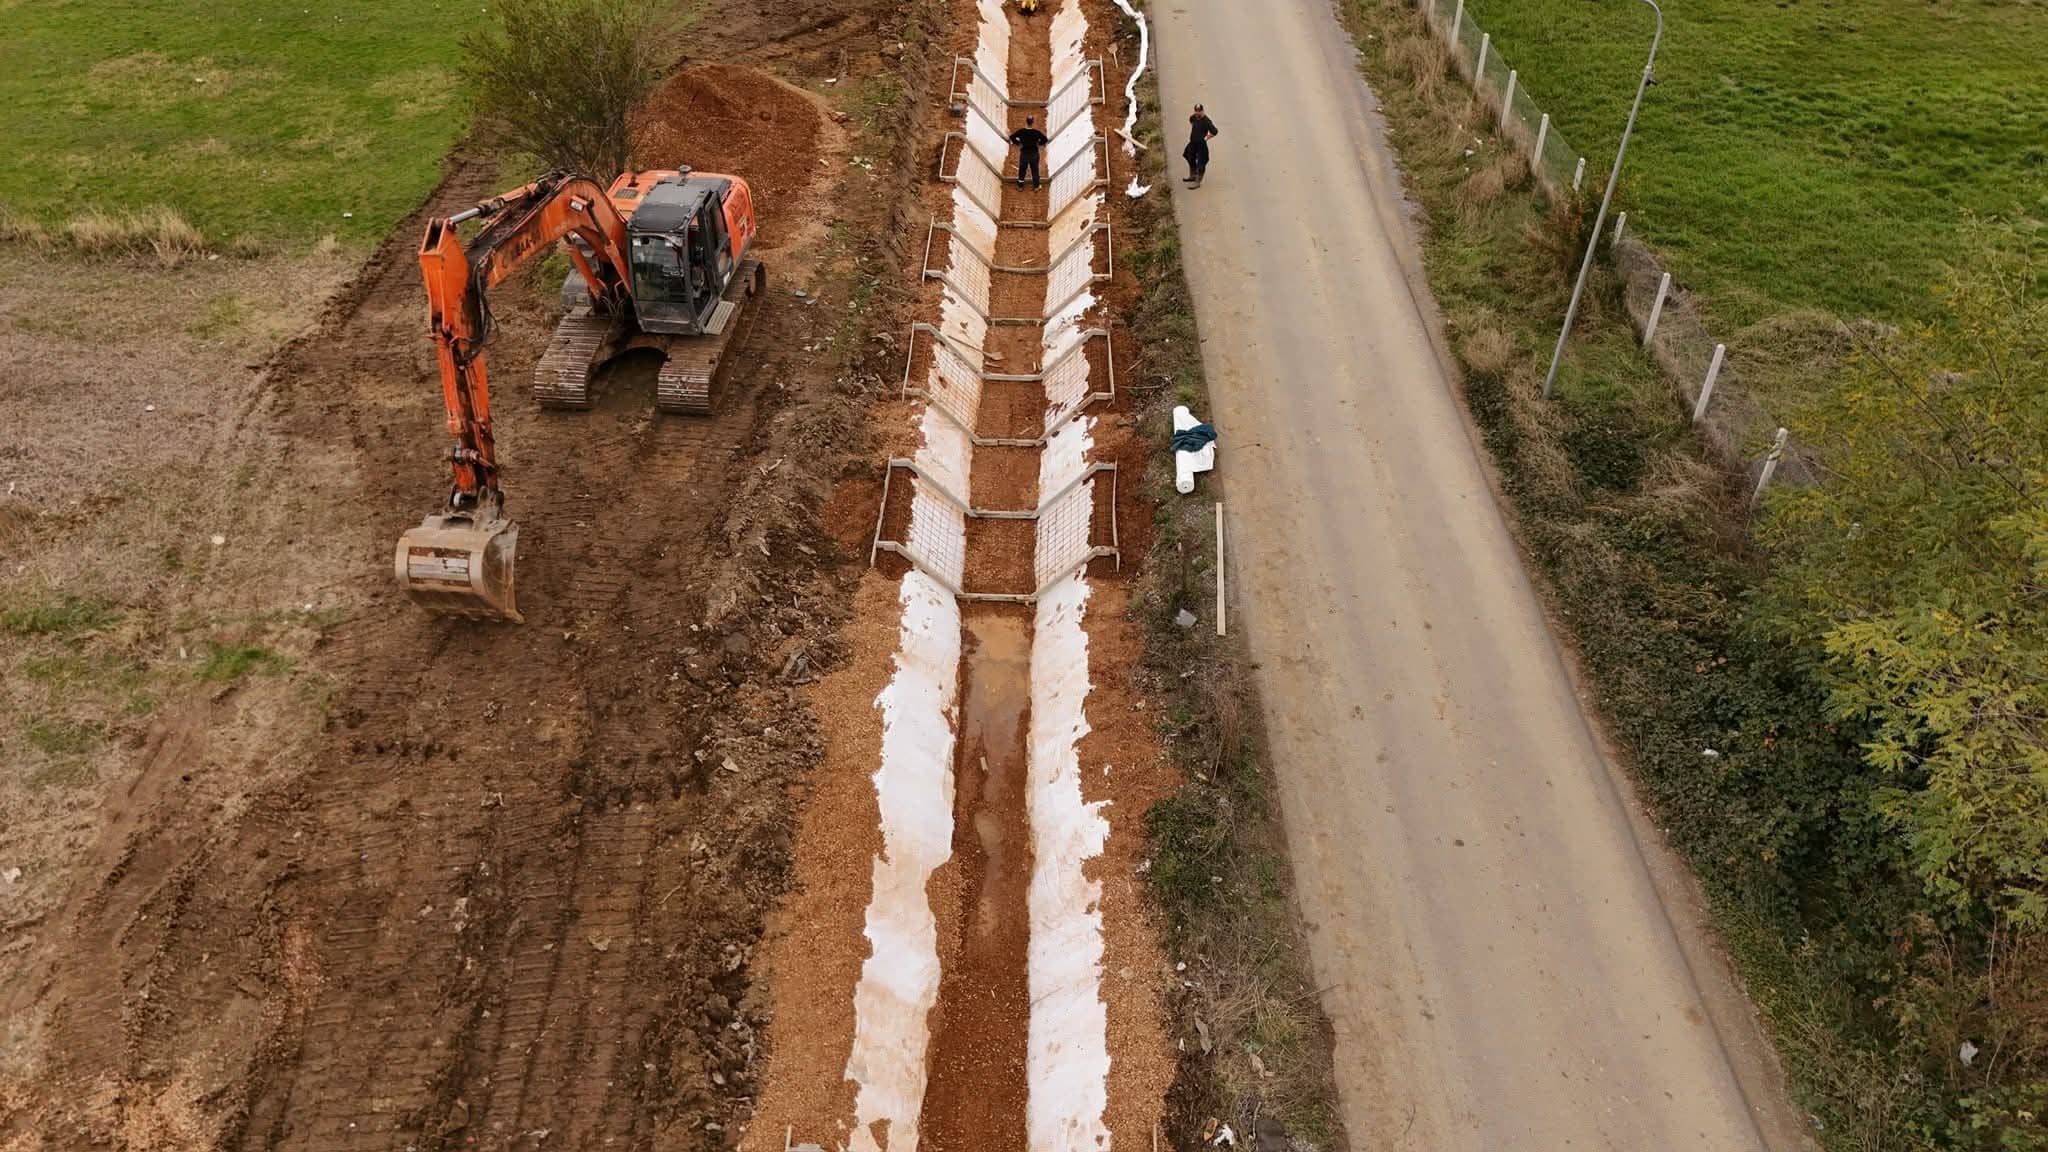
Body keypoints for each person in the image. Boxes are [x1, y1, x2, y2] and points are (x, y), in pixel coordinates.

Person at [1182, 104, 1219, 188]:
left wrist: (1206, 138)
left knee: (1201, 163)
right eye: (1196, 111)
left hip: (1201, 145)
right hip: (1192, 143)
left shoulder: (1206, 121)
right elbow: (1191, 120)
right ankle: (1192, 175)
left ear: (1202, 111)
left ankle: (1197, 182)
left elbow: (1215, 131)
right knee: (1188, 156)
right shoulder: (1194, 117)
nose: (1198, 112)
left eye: (1199, 111)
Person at [1009, 116, 1050, 190]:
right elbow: (1045, 139)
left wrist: (1018, 143)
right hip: (1034, 154)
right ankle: (1036, 186)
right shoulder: (1036, 132)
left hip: (1024, 154)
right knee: (1035, 170)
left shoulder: (1021, 131)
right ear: (1033, 122)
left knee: (1022, 170)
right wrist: (1039, 143)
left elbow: (1012, 137)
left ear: (1026, 121)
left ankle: (1020, 186)